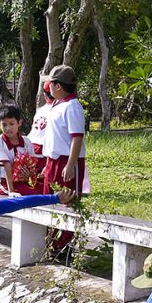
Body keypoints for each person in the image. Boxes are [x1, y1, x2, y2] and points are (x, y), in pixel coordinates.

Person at [41, 65, 86, 253]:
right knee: (48, 201)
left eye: (50, 83)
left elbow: (77, 137)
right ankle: (49, 242)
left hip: (67, 161)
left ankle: (63, 246)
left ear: (58, 86)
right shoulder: (58, 105)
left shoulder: (73, 107)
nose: (48, 87)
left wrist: (69, 164)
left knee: (67, 204)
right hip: (53, 161)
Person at [0, 104, 44, 196]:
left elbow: (32, 164)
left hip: (21, 182)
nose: (7, 128)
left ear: (19, 123)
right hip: (4, 183)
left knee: (35, 195)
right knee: (24, 197)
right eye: (4, 125)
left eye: (11, 124)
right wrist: (11, 192)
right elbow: (7, 165)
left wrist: (29, 174)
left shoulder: (26, 141)